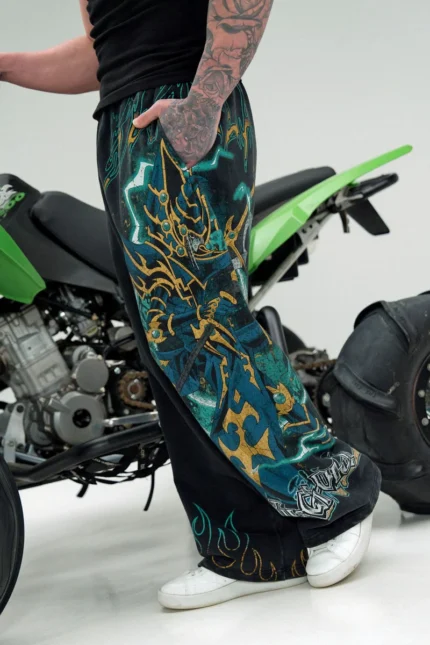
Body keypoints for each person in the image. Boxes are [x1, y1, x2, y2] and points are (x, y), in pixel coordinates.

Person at [0, 0, 381, 610]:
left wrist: (203, 105)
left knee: (204, 329)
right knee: (166, 351)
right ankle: (252, 549)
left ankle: (337, 498)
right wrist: (6, 64)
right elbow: (105, 52)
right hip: (126, 128)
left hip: (183, 108)